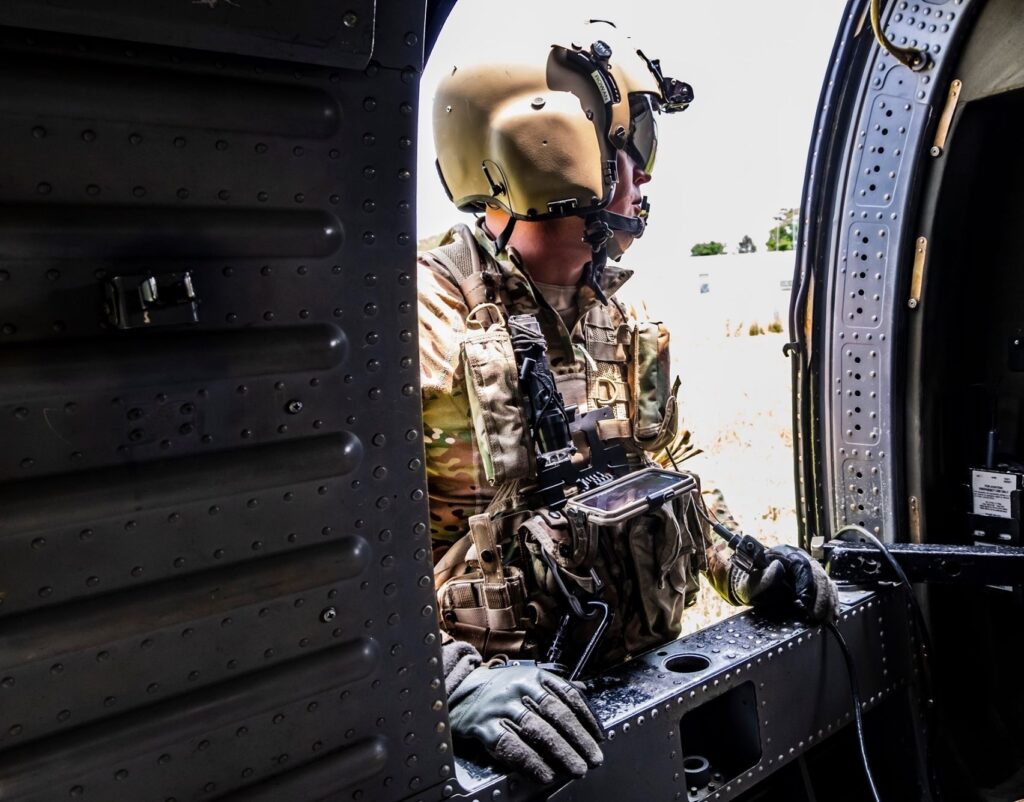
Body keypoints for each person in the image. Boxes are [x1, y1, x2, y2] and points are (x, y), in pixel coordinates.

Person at [418, 21, 839, 786]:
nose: (642, 180)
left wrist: (748, 566)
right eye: (627, 155)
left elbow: (663, 474)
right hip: (505, 750)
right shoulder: (415, 319)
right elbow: (334, 572)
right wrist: (448, 684)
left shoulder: (624, 319)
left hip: (633, 702)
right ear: (549, 154)